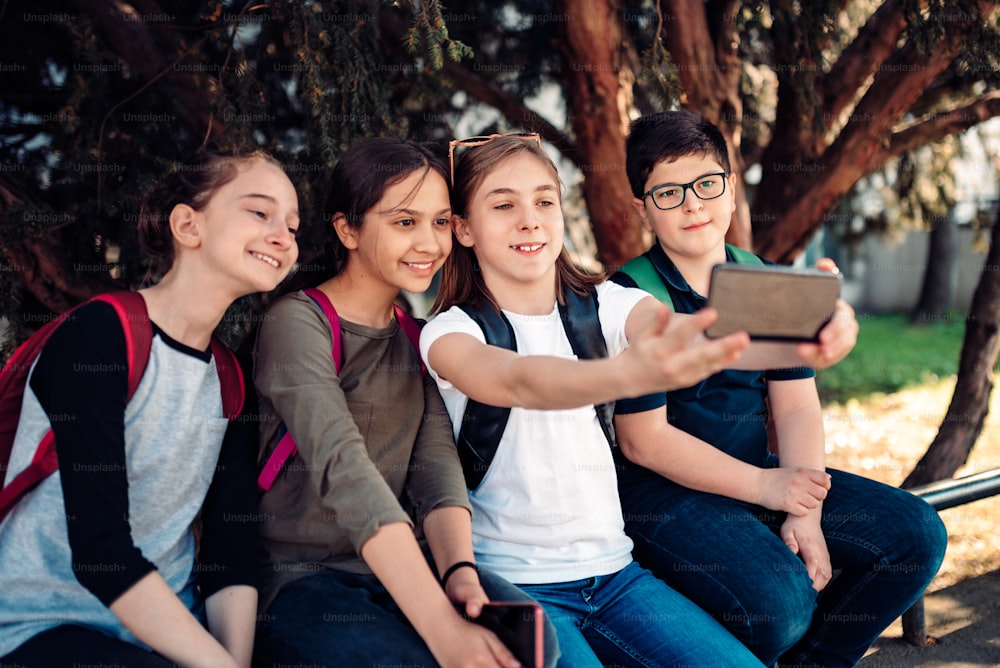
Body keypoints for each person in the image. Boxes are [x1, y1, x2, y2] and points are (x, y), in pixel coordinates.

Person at [421, 134, 859, 667]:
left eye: (544, 201)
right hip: (518, 588)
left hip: (619, 578)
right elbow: (519, 381)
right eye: (504, 205)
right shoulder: (449, 334)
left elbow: (690, 332)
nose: (530, 220)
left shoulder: (608, 303)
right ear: (463, 228)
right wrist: (621, 372)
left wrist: (813, 324)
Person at [611, 109, 948, 668]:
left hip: (761, 472)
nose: (692, 203)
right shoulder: (631, 297)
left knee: (914, 535)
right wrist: (769, 489)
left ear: (731, 187)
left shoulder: (762, 278)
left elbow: (794, 407)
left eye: (705, 183)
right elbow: (643, 441)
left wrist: (805, 510)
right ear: (642, 208)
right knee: (779, 608)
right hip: (661, 494)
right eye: (667, 193)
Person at [252, 137, 557, 668]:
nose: (430, 242)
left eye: (441, 222)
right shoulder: (297, 322)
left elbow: (435, 466)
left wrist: (458, 571)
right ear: (348, 229)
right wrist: (442, 629)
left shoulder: (417, 336)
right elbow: (344, 468)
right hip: (305, 580)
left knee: (530, 642)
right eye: (404, 222)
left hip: (406, 566)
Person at [0, 150, 300, 667]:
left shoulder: (230, 381)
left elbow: (230, 549)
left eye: (293, 226)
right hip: (43, 624)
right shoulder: (100, 335)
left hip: (171, 633)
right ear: (187, 225)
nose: (283, 236)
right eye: (260, 212)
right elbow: (101, 552)